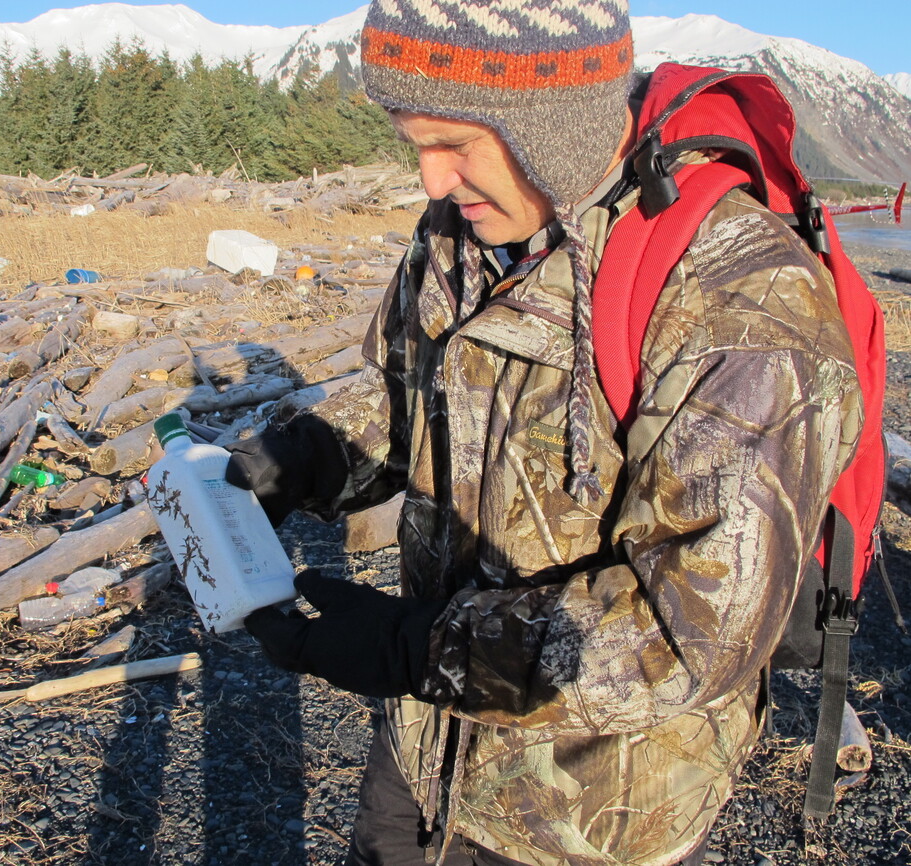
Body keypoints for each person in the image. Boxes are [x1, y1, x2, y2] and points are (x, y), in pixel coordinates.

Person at [226, 1, 864, 864]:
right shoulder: (457, 231)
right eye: (412, 143)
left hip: (591, 813)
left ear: (555, 126)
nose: (431, 181)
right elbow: (408, 397)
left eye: (454, 143)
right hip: (424, 749)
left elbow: (690, 632)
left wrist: (416, 650)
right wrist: (307, 458)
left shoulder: (743, 301)